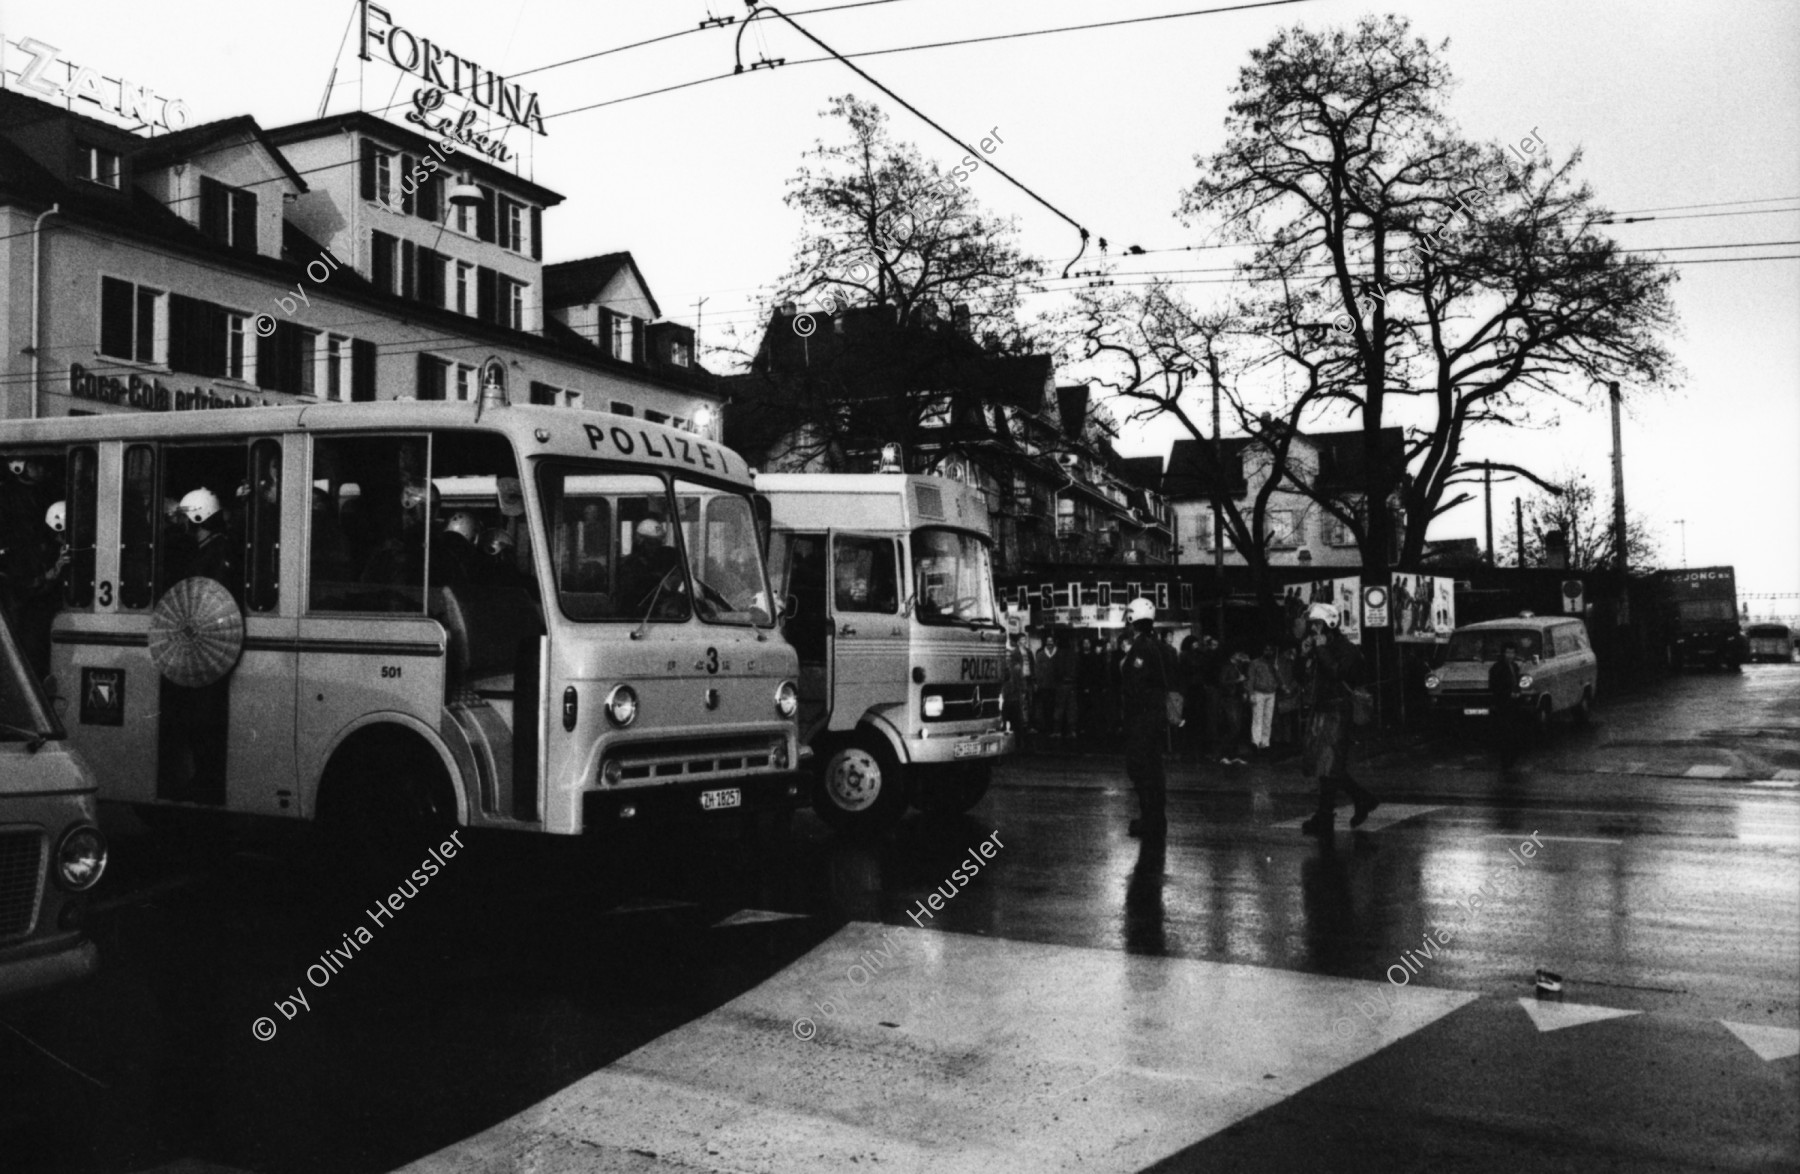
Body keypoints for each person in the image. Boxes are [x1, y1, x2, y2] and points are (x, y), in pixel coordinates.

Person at [1297, 603, 1379, 836]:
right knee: (1324, 767)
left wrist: (1321, 650)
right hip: (1321, 710)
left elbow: (1337, 672)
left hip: (1337, 711)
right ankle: (1331, 813)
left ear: (1327, 624)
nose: (1312, 629)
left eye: (1316, 624)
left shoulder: (1346, 648)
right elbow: (1300, 676)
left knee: (1330, 766)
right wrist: (1303, 655)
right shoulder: (1318, 646)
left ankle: (1353, 803)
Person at [1120, 597, 1180, 839]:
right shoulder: (1161, 647)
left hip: (1143, 717)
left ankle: (1150, 820)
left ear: (1133, 619)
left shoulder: (1142, 648)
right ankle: (1156, 818)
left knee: (1141, 768)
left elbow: (1135, 683)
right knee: (1154, 768)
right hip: (1155, 716)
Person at [618, 517, 681, 614]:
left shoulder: (667, 559)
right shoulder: (629, 564)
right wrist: (654, 578)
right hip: (637, 614)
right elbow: (629, 594)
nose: (656, 548)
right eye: (651, 543)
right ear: (641, 542)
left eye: (658, 543)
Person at [1488, 640, 1524, 769]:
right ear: (1503, 653)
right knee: (1506, 735)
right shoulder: (1497, 668)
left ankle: (1511, 760)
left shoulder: (1514, 666)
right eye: (1508, 652)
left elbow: (1518, 682)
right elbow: (1494, 686)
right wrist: (1508, 694)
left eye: (1512, 652)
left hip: (1514, 705)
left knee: (1515, 734)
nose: (1510, 655)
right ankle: (1506, 762)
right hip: (1503, 705)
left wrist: (1518, 692)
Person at [1248, 643, 1282, 757]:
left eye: (1270, 650)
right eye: (1266, 649)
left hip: (1271, 692)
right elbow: (1251, 678)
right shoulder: (1255, 663)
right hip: (1259, 692)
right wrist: (1251, 693)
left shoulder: (1273, 663)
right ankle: (1256, 742)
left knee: (1268, 718)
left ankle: (1265, 743)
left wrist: (1276, 670)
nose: (1268, 652)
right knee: (1258, 718)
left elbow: (1278, 678)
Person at [1217, 650, 1249, 765]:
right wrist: (1237, 681)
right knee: (1233, 727)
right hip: (1229, 700)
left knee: (1236, 727)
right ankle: (1225, 754)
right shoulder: (1227, 667)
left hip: (1236, 698)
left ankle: (1233, 754)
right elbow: (1222, 682)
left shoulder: (1237, 667)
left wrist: (1243, 691)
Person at [1031, 633, 1063, 743]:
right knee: (1045, 708)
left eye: (1051, 641)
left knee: (1057, 708)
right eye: (1048, 641)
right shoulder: (1040, 655)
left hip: (1056, 686)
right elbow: (1036, 670)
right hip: (1044, 686)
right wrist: (1036, 683)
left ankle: (1056, 729)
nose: (1050, 644)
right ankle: (1047, 728)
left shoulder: (1059, 654)